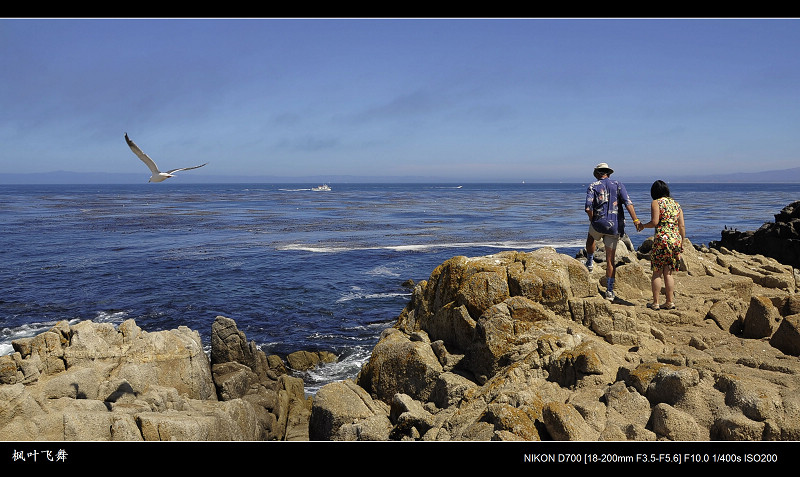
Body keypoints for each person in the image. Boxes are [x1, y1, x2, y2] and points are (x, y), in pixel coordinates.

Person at [584, 163, 642, 301]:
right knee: (610, 260)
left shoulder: (593, 186)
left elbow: (588, 208)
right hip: (615, 226)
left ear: (597, 173)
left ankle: (590, 263)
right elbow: (628, 203)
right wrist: (636, 221)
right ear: (608, 174)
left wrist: (593, 220)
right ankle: (609, 292)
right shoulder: (618, 184)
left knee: (590, 238)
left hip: (598, 223)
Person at [641, 180, 686, 310]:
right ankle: (669, 302)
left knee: (657, 272)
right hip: (675, 240)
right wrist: (681, 241)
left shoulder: (656, 202)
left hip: (662, 240)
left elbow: (655, 222)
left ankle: (655, 303)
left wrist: (643, 226)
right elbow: (681, 225)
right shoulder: (676, 204)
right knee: (669, 273)